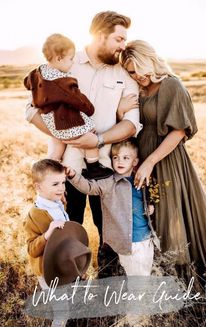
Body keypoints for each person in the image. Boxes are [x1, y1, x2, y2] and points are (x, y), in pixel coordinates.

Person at [25, 11, 140, 276]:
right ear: (100, 35)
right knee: (67, 230)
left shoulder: (125, 75)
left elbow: (132, 124)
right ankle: (67, 288)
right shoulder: (66, 61)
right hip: (66, 170)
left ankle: (109, 285)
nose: (123, 45)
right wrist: (65, 136)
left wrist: (97, 140)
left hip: (106, 171)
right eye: (119, 39)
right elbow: (31, 109)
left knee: (108, 233)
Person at [120, 40, 206, 277]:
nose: (136, 76)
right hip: (142, 159)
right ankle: (155, 275)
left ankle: (185, 279)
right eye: (130, 72)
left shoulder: (171, 85)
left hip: (167, 160)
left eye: (137, 69)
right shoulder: (138, 90)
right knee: (151, 215)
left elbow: (179, 132)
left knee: (172, 214)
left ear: (149, 60)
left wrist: (150, 162)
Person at [24, 33, 113, 180]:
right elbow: (76, 98)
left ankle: (48, 171)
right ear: (59, 58)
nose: (72, 63)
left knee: (58, 145)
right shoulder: (62, 80)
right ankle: (93, 167)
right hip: (65, 121)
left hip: (50, 122)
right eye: (70, 59)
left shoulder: (37, 72)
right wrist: (89, 109)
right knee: (90, 136)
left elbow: (27, 82)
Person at [66, 138, 160, 276]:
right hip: (125, 242)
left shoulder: (141, 179)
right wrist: (74, 176)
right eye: (116, 157)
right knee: (135, 278)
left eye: (125, 158)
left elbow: (150, 196)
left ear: (135, 161)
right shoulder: (110, 183)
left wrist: (151, 205)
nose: (120, 161)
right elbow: (89, 187)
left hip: (145, 239)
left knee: (145, 275)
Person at [23, 159, 90, 327]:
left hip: (62, 265)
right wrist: (47, 234)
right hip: (48, 270)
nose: (61, 188)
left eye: (62, 183)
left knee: (67, 302)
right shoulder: (35, 215)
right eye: (55, 184)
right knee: (61, 312)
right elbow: (31, 249)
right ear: (38, 187)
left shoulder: (58, 204)